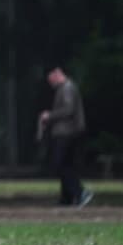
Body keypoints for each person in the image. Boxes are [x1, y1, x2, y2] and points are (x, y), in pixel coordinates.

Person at [39, 66, 92, 207]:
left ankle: (80, 193)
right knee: (66, 164)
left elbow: (68, 110)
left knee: (60, 164)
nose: (51, 83)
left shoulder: (67, 88)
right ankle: (67, 198)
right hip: (68, 132)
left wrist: (49, 116)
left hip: (66, 133)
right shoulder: (65, 88)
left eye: (51, 80)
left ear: (57, 74)